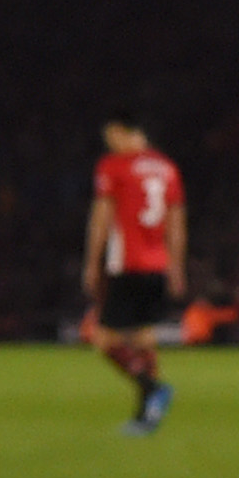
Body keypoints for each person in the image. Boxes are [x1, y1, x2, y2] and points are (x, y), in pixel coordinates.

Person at [83, 118, 184, 435]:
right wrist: (176, 267)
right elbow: (176, 224)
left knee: (103, 340)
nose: (109, 142)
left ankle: (153, 388)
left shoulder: (114, 166)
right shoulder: (168, 169)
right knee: (142, 338)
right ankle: (146, 416)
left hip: (127, 263)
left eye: (110, 135)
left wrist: (91, 262)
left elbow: (102, 217)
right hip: (158, 265)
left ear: (125, 132)